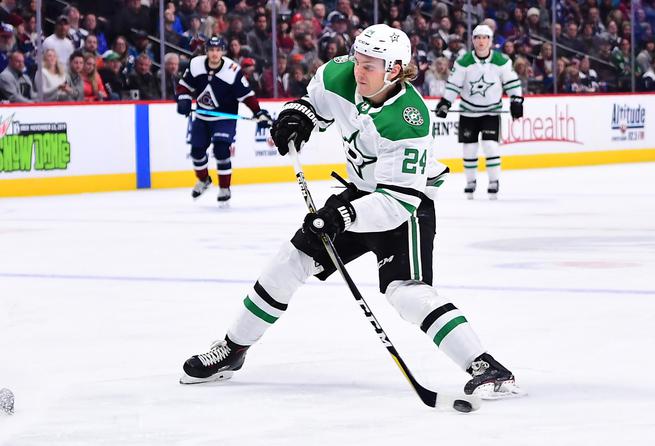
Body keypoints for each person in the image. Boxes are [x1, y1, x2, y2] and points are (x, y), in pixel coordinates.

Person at [180, 24, 521, 401]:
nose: (359, 70)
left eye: (370, 65)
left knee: (406, 293)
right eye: (358, 59)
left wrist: (341, 217)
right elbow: (313, 105)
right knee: (289, 262)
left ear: (393, 69)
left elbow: (396, 203)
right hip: (360, 191)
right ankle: (233, 348)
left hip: (406, 204)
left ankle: (485, 365)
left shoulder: (409, 120)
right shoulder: (339, 74)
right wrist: (297, 118)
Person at [175, 36, 273, 204]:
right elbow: (184, 85)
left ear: (222, 51)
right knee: (197, 153)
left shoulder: (232, 70)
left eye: (217, 50)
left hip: (224, 118)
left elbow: (246, 95)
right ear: (206, 51)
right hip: (201, 116)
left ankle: (224, 188)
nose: (214, 53)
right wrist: (183, 98)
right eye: (211, 50)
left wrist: (258, 112)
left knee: (221, 150)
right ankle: (204, 180)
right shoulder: (195, 64)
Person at [435, 25, 524, 200]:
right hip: (468, 112)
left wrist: (516, 100)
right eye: (478, 38)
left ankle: (493, 181)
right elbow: (454, 84)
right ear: (473, 40)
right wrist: (445, 102)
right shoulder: (463, 62)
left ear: (490, 41)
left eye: (485, 38)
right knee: (469, 149)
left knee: (491, 146)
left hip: (491, 112)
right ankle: (470, 182)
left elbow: (512, 83)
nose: (481, 41)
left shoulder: (502, 61)